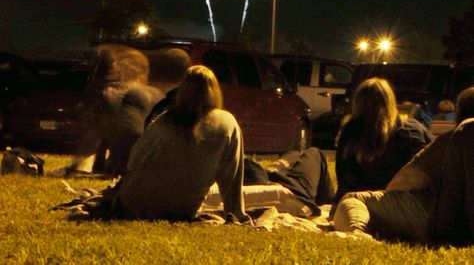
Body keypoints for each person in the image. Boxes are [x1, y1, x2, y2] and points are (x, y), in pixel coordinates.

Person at [333, 86, 474, 245]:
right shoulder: (413, 129)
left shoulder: (456, 138)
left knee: (354, 199)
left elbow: (405, 181)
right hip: (458, 225)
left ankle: (356, 234)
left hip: (439, 219)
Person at [114, 65, 248, 221]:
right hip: (180, 209)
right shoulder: (227, 123)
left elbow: (133, 161)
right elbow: (232, 176)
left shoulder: (164, 120)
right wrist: (235, 213)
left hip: (133, 204)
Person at [334, 77, 432, 203]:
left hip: (357, 201)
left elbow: (343, 176)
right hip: (400, 202)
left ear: (357, 102)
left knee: (314, 155)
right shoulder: (412, 129)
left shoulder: (351, 131)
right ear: (390, 101)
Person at [71, 44, 163, 177]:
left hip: (124, 166)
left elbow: (95, 136)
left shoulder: (112, 94)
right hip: (152, 164)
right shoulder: (155, 94)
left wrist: (75, 166)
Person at [203, 147, 335, 217]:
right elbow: (258, 179)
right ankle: (329, 201)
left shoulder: (202, 188)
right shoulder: (212, 192)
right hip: (293, 188)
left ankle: (275, 169)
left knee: (293, 154)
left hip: (271, 176)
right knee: (314, 153)